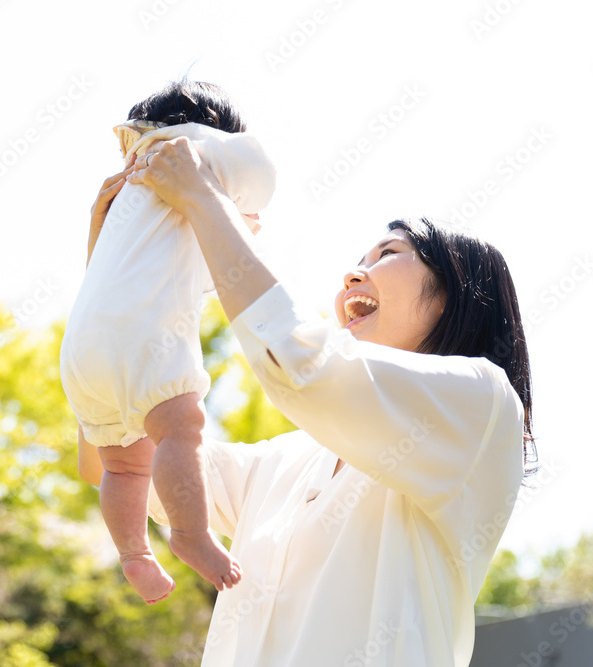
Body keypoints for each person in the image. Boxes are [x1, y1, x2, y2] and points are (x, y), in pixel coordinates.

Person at [76, 136, 536, 665]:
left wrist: (203, 198)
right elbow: (115, 451)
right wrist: (109, 269)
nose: (352, 275)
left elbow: (299, 359)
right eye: (359, 259)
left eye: (389, 254)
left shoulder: (481, 407)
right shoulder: (280, 465)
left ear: (458, 296)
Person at [59, 79, 277, 604]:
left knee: (122, 462)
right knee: (183, 427)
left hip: (80, 350)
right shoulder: (191, 150)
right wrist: (235, 204)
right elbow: (261, 177)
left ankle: (134, 551)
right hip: (141, 338)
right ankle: (190, 533)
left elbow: (185, 272)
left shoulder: (127, 194)